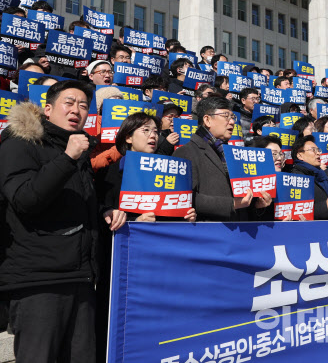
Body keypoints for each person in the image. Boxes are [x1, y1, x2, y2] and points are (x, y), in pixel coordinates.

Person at [0, 80, 126, 362]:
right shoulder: (20, 144)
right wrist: (68, 158)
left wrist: (104, 211)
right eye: (69, 103)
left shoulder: (76, 150)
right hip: (38, 282)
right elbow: (25, 199)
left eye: (83, 106)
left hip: (80, 277)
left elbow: (72, 203)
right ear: (47, 109)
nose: (77, 110)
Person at [93, 113, 196, 360]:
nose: (153, 136)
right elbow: (102, 216)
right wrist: (132, 223)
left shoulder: (170, 169)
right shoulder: (110, 174)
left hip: (161, 263)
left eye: (155, 131)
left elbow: (172, 213)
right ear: (127, 138)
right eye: (145, 131)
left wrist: (186, 216)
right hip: (123, 265)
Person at [174, 97, 271, 221]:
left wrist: (255, 205)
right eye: (226, 116)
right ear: (207, 120)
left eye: (233, 117)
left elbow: (239, 196)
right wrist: (232, 204)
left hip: (239, 231)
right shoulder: (186, 152)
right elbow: (184, 197)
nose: (232, 122)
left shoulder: (231, 153)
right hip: (210, 232)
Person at [290, 135, 328, 220]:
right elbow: (296, 211)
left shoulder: (321, 175)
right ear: (300, 155)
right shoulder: (296, 178)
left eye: (318, 150)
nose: (318, 153)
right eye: (313, 150)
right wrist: (325, 206)